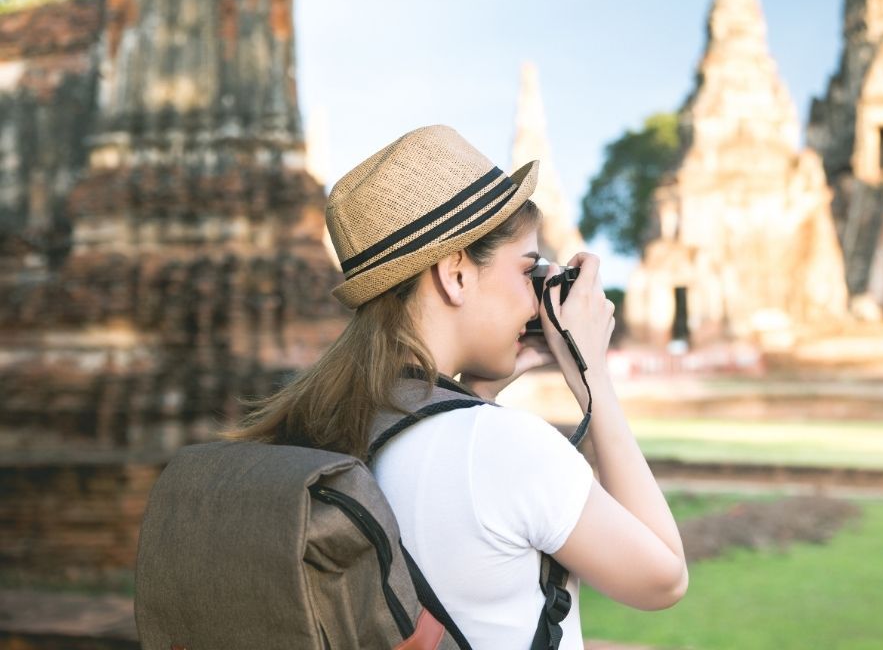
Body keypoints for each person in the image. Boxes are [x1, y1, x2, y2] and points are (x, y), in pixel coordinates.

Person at [228, 125, 687, 649]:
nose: (534, 298)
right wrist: (593, 379)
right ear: (456, 276)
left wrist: (476, 394)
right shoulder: (505, 448)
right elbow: (664, 578)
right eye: (527, 270)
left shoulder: (324, 425)